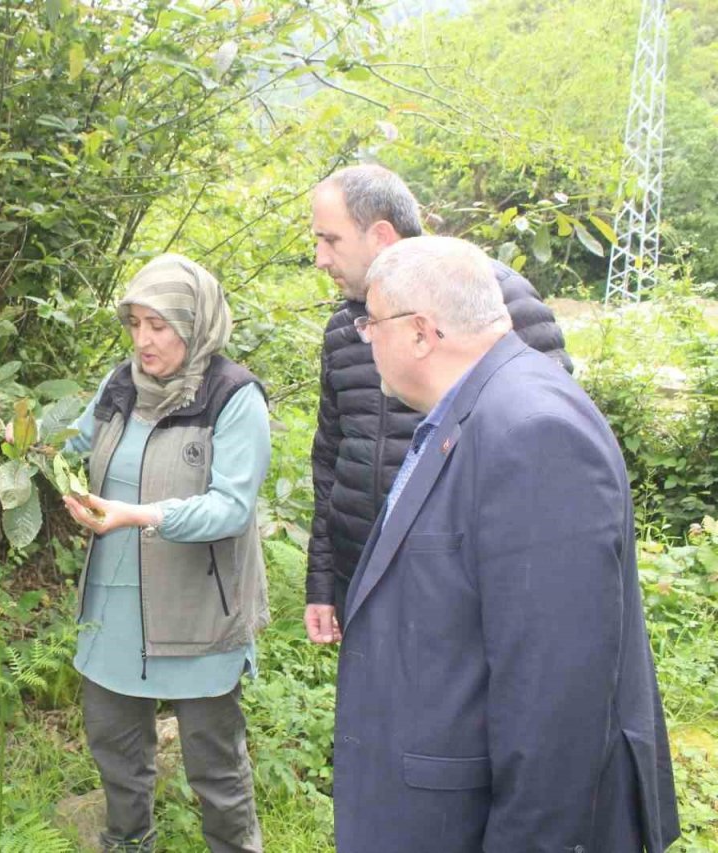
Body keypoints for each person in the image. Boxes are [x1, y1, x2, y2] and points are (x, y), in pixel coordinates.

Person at [332, 235, 679, 852]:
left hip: (474, 819)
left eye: (371, 323)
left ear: (419, 332)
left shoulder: (531, 430)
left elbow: (556, 692)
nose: (365, 337)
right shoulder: (472, 409)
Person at [305, 164, 572, 644]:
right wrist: (323, 581)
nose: (320, 258)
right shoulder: (347, 327)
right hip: (361, 577)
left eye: (331, 240)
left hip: (459, 588)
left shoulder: (495, 303)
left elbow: (548, 450)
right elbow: (331, 456)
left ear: (381, 235)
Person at [60, 253, 271, 853]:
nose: (143, 340)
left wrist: (140, 516)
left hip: (197, 608)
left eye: (159, 325)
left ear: (196, 323)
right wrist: (6, 431)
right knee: (117, 755)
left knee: (216, 771)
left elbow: (231, 507)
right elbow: (69, 440)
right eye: (134, 324)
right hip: (114, 604)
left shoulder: (234, 395)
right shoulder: (119, 383)